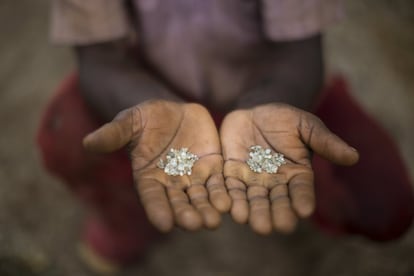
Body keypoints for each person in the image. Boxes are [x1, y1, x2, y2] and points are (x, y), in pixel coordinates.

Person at [37, 0, 414, 270]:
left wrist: (264, 108)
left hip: (278, 92)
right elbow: (98, 60)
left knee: (382, 202)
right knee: (69, 137)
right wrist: (153, 106)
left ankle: (308, 199)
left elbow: (302, 54)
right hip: (150, 85)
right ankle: (128, 225)